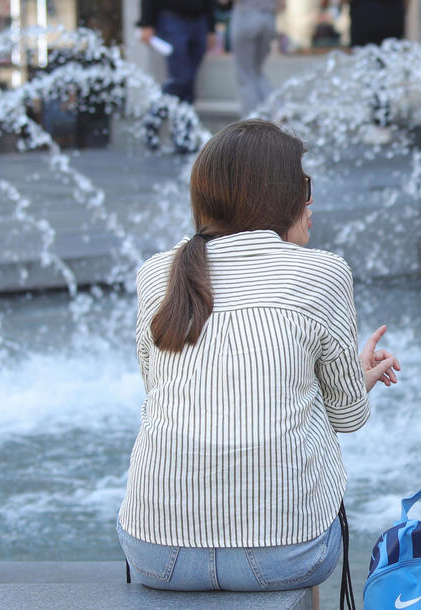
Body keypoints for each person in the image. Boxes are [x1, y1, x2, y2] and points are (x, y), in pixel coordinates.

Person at [117, 119, 401, 591]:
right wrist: (357, 374)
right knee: (310, 494)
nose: (312, 203)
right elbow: (349, 418)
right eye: (305, 187)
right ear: (281, 195)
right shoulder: (323, 272)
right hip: (284, 554)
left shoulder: (157, 273)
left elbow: (161, 390)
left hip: (155, 550)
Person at [221, 0, 301, 115]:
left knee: (245, 77)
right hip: (268, 19)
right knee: (257, 73)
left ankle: (253, 125)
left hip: (246, 18)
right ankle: (278, 111)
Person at [138, 0, 217, 105]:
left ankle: (181, 125)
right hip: (171, 19)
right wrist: (146, 22)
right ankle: (154, 121)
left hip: (198, 21)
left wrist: (211, 27)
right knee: (180, 78)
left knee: (187, 80)